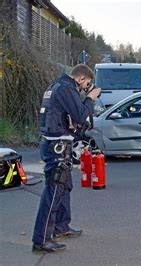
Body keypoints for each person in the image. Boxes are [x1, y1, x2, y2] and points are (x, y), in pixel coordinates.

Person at [32, 64, 101, 253]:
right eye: (86, 83)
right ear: (81, 78)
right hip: (57, 148)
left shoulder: (56, 86)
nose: (85, 87)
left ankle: (61, 226)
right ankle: (41, 240)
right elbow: (79, 115)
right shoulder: (66, 88)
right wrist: (90, 98)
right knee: (53, 192)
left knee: (64, 187)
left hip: (57, 145)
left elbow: (64, 119)